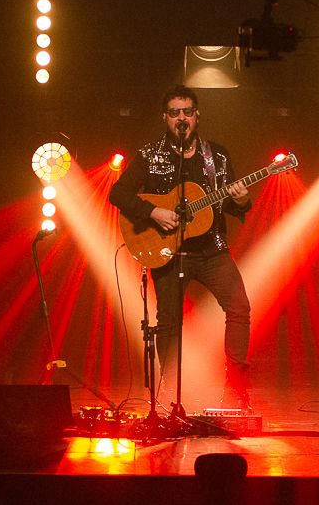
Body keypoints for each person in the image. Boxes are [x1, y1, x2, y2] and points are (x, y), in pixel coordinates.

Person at [109, 84, 253, 410]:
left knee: (239, 308)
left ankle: (237, 387)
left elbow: (228, 204)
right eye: (175, 113)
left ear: (197, 116)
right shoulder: (150, 155)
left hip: (211, 249)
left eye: (187, 111)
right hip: (168, 251)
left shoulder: (216, 155)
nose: (182, 118)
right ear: (166, 118)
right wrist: (154, 212)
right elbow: (118, 194)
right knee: (169, 322)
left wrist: (242, 201)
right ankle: (169, 392)